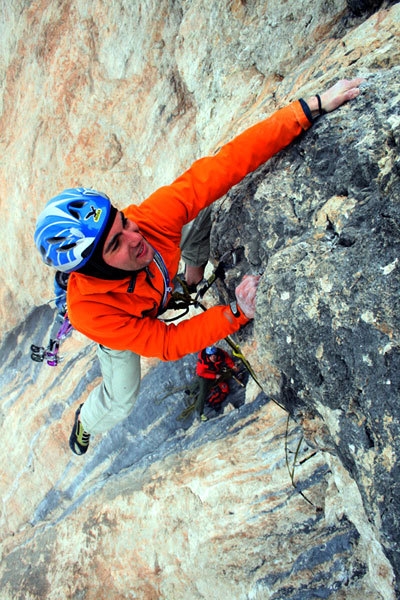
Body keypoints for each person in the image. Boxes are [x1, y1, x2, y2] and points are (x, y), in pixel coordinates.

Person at [34, 77, 365, 455]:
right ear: (94, 270)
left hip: (158, 283)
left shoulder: (149, 220)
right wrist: (236, 312)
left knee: (200, 205)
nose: (134, 236)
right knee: (122, 399)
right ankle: (87, 421)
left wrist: (307, 109)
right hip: (127, 322)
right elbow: (168, 342)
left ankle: (188, 277)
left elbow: (222, 167)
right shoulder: (93, 312)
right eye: (115, 243)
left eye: (122, 220)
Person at [194, 345, 239, 421]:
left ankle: (193, 388)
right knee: (203, 392)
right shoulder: (203, 362)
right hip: (204, 376)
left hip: (215, 371)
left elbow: (226, 358)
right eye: (211, 356)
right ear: (208, 356)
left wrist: (233, 366)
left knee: (224, 382)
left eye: (214, 356)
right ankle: (199, 413)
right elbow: (200, 373)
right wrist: (214, 376)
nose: (213, 358)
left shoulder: (220, 354)